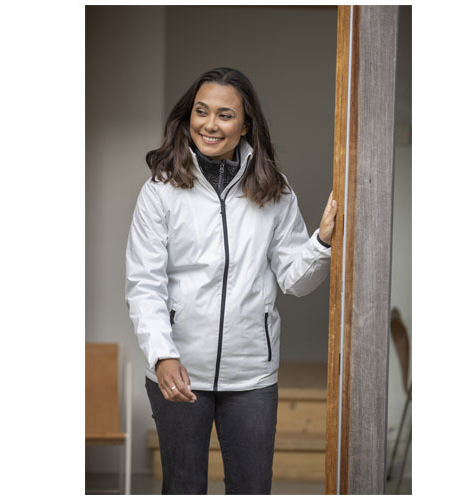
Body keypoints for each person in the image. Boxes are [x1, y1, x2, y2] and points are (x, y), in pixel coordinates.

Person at [125, 67, 338, 495]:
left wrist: (321, 243)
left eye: (225, 115)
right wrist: (163, 355)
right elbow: (144, 283)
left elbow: (294, 279)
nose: (210, 124)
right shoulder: (160, 190)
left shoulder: (274, 191)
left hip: (251, 377)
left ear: (245, 125)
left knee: (252, 488)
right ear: (188, 116)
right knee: (183, 487)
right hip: (179, 369)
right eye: (201, 111)